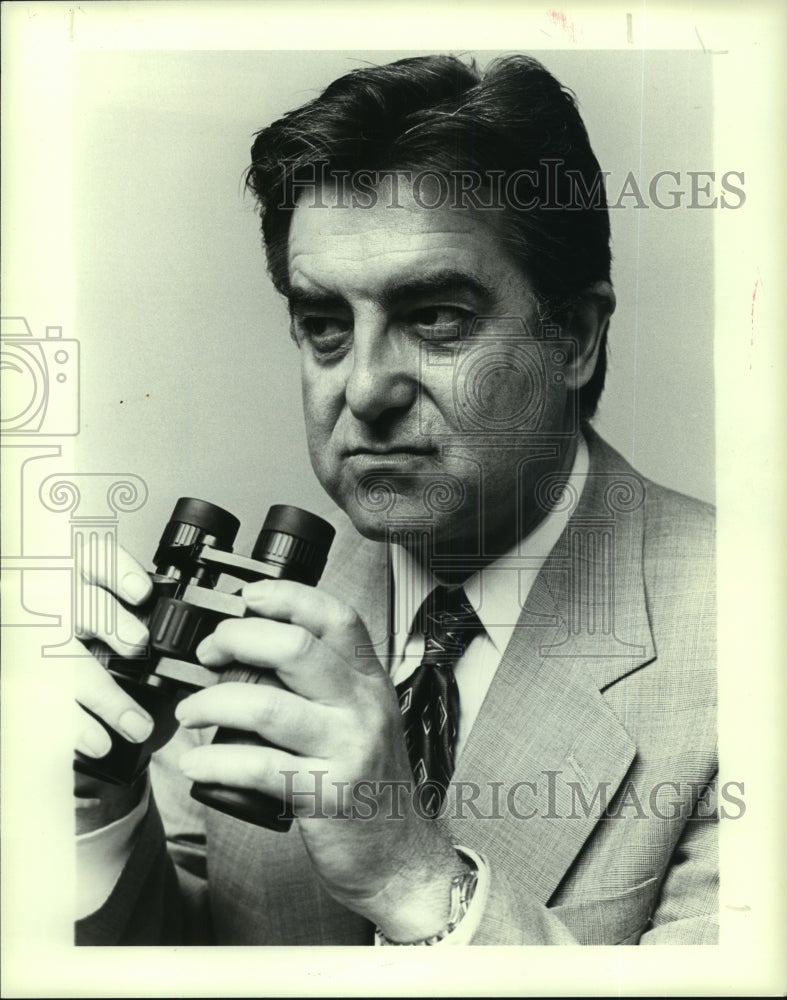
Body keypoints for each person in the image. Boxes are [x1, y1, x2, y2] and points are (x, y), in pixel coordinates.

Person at [74, 53, 717, 946]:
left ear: (570, 336)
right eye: (325, 326)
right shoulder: (284, 600)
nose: (366, 389)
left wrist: (413, 877)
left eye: (436, 317)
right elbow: (204, 945)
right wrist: (92, 814)